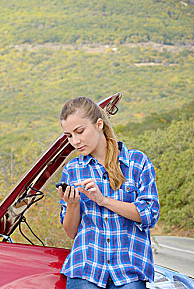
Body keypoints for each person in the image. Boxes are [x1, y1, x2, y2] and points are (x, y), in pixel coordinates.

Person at [57, 96, 159, 289]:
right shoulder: (72, 170)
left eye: (80, 131)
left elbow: (149, 215)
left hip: (128, 270)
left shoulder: (137, 162)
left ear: (99, 124)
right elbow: (71, 232)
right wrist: (72, 204)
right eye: (69, 136)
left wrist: (102, 200)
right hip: (85, 269)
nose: (75, 141)